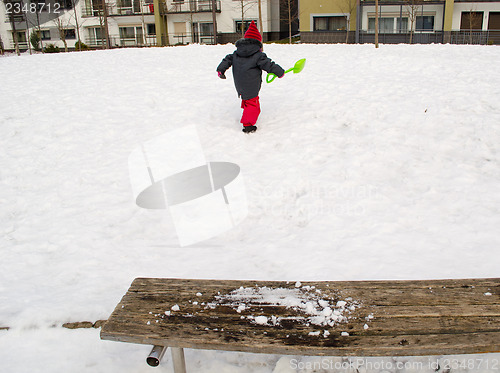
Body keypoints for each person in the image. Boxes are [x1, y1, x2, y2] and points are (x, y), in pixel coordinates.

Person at [217, 21, 285, 133]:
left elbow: (227, 59)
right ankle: (248, 125)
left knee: (248, 99)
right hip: (251, 84)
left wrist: (220, 70)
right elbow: (269, 64)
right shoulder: (258, 55)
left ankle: (246, 108)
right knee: (253, 105)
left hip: (239, 83)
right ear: (258, 43)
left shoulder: (236, 53)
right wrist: (279, 72)